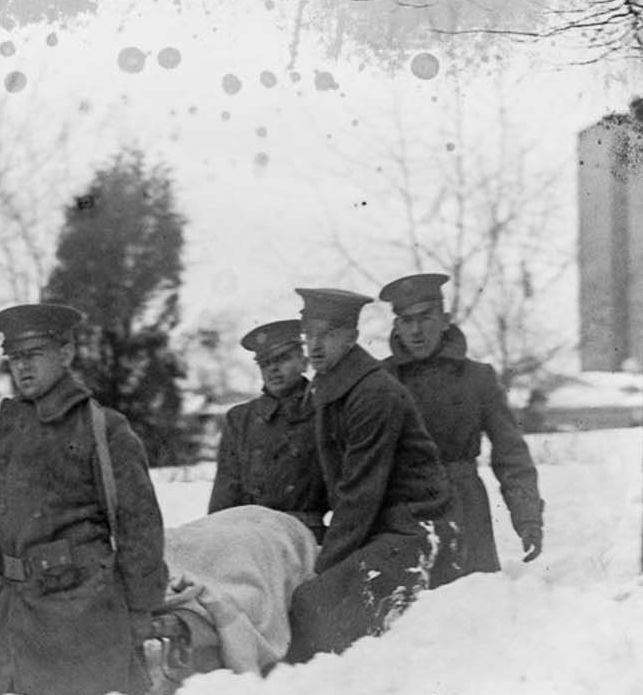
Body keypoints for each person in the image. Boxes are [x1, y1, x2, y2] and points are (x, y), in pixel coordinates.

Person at [0, 303, 168, 695]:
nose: (22, 368)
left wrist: (143, 608)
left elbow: (139, 526)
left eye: (34, 355)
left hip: (84, 611)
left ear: (66, 354)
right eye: (15, 358)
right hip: (12, 611)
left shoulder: (103, 427)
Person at [285, 287, 454, 663]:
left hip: (414, 528)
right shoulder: (331, 387)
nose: (314, 346)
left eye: (326, 334)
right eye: (308, 335)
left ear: (352, 337)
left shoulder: (373, 393)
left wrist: (323, 565)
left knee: (314, 600)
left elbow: (359, 493)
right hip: (377, 526)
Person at [378, 272, 544, 575]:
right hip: (402, 512)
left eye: (425, 317)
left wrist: (527, 518)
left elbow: (511, 454)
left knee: (471, 607)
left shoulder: (477, 378)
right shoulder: (381, 381)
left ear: (445, 319)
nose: (416, 330)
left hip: (465, 510)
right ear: (397, 326)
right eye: (406, 320)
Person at [208, 318, 328, 541]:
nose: (273, 369)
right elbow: (226, 491)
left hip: (306, 537)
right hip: (251, 537)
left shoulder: (324, 412)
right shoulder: (241, 418)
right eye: (265, 363)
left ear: (303, 362)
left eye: (282, 359)